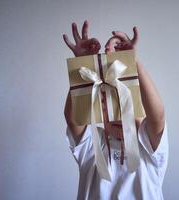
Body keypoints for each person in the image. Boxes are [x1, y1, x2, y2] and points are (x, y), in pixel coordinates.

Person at [63, 20, 168, 200]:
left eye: (126, 105)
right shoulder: (93, 146)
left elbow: (157, 117)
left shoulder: (148, 147)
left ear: (142, 112)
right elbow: (73, 119)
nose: (120, 116)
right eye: (110, 107)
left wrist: (132, 61)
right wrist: (84, 65)